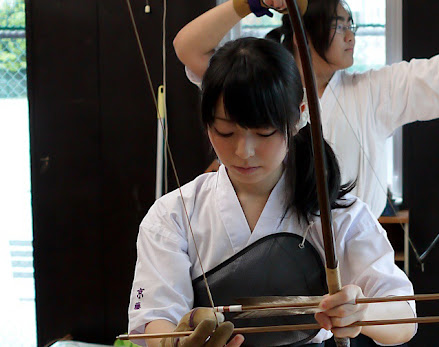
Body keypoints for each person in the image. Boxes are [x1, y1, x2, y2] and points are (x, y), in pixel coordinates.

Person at [173, 0, 439, 218]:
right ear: (307, 25)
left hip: (348, 253)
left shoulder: (372, 89)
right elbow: (187, 47)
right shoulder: (260, 81)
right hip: (265, 247)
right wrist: (249, 3)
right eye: (340, 23)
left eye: (352, 24)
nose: (350, 35)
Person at [128, 37, 416, 346]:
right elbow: (155, 317)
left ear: (299, 115)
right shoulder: (172, 214)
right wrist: (173, 342)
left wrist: (360, 313)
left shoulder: (340, 214)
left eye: (264, 132)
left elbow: (402, 317)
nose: (244, 151)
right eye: (226, 132)